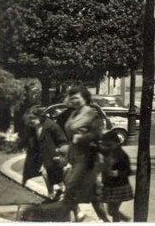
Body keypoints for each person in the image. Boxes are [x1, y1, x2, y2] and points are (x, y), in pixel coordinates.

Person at [61, 85, 108, 222]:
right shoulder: (73, 113)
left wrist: (82, 138)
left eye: (77, 98)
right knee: (94, 194)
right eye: (72, 98)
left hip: (88, 158)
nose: (73, 101)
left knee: (70, 189)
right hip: (74, 157)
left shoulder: (92, 114)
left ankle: (77, 216)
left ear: (85, 98)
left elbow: (98, 134)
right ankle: (104, 220)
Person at [21, 107, 67, 200]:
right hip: (43, 156)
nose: (30, 122)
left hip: (53, 155)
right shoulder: (34, 128)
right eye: (28, 120)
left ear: (39, 116)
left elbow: (62, 141)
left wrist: (60, 153)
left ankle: (61, 192)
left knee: (53, 174)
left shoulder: (51, 126)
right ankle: (53, 193)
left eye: (32, 118)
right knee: (46, 173)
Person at [100, 129, 133, 221]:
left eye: (109, 145)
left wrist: (118, 173)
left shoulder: (121, 155)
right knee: (111, 211)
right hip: (109, 185)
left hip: (119, 186)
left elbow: (128, 171)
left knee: (113, 210)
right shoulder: (109, 152)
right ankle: (124, 218)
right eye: (105, 145)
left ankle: (119, 220)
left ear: (117, 143)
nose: (107, 147)